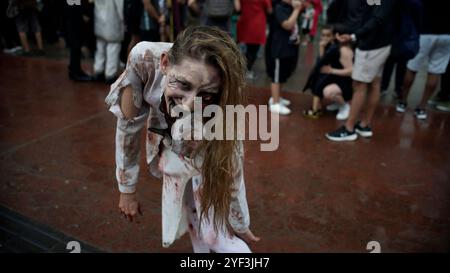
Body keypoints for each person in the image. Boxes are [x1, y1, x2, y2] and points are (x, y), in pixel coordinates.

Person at [105, 26, 259, 253]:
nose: (187, 105)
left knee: (215, 234)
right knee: (192, 218)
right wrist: (127, 189)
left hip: (205, 148)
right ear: (165, 63)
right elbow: (128, 125)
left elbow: (232, 162)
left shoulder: (224, 99)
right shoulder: (144, 60)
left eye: (206, 94)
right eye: (184, 85)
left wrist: (239, 222)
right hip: (171, 151)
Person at [326, 0, 397, 141]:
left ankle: (349, 128)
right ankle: (364, 125)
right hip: (379, 41)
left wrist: (354, 36)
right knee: (375, 82)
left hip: (372, 44)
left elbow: (377, 18)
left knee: (359, 85)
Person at [397, 1, 450, 120]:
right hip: (447, 35)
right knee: (435, 71)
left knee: (412, 67)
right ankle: (422, 107)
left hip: (424, 31)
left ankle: (403, 102)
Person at [303, 25, 353, 120]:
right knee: (318, 78)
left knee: (327, 91)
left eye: (328, 35)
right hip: (336, 79)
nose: (325, 38)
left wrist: (332, 71)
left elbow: (352, 72)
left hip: (347, 84)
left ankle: (344, 106)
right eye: (323, 35)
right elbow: (321, 64)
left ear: (334, 36)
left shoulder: (343, 50)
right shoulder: (330, 46)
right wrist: (321, 47)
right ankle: (321, 106)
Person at [266, 0, 303, 115]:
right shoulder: (279, 8)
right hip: (279, 48)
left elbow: (294, 27)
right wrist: (297, 10)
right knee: (276, 77)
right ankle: (275, 103)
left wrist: (296, 36)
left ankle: (276, 97)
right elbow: (287, 25)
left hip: (287, 47)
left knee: (282, 75)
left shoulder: (289, 8)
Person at [234, 0, 272, 79]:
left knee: (245, 49)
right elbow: (270, 10)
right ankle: (246, 71)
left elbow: (237, 8)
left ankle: (241, 69)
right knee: (253, 51)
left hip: (245, 22)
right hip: (257, 24)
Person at [93, 0, 125, 84]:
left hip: (99, 20)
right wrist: (124, 20)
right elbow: (120, 7)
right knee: (113, 47)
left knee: (100, 47)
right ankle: (110, 74)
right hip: (112, 20)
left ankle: (98, 70)